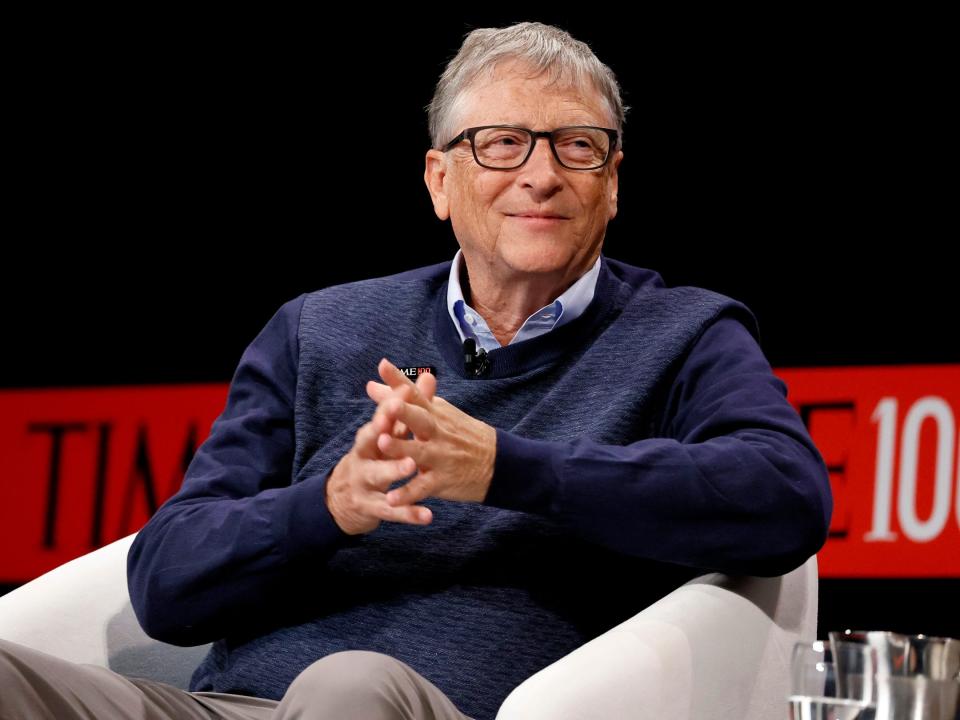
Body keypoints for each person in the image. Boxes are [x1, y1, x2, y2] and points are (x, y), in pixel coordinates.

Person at [0, 20, 832, 720]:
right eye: (503, 144)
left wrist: (504, 469)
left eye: (578, 146)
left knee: (348, 687)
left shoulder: (685, 333)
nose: (541, 175)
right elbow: (165, 582)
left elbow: (784, 499)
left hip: (434, 709)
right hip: (235, 705)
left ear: (611, 184)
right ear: (441, 180)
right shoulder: (319, 329)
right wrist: (330, 506)